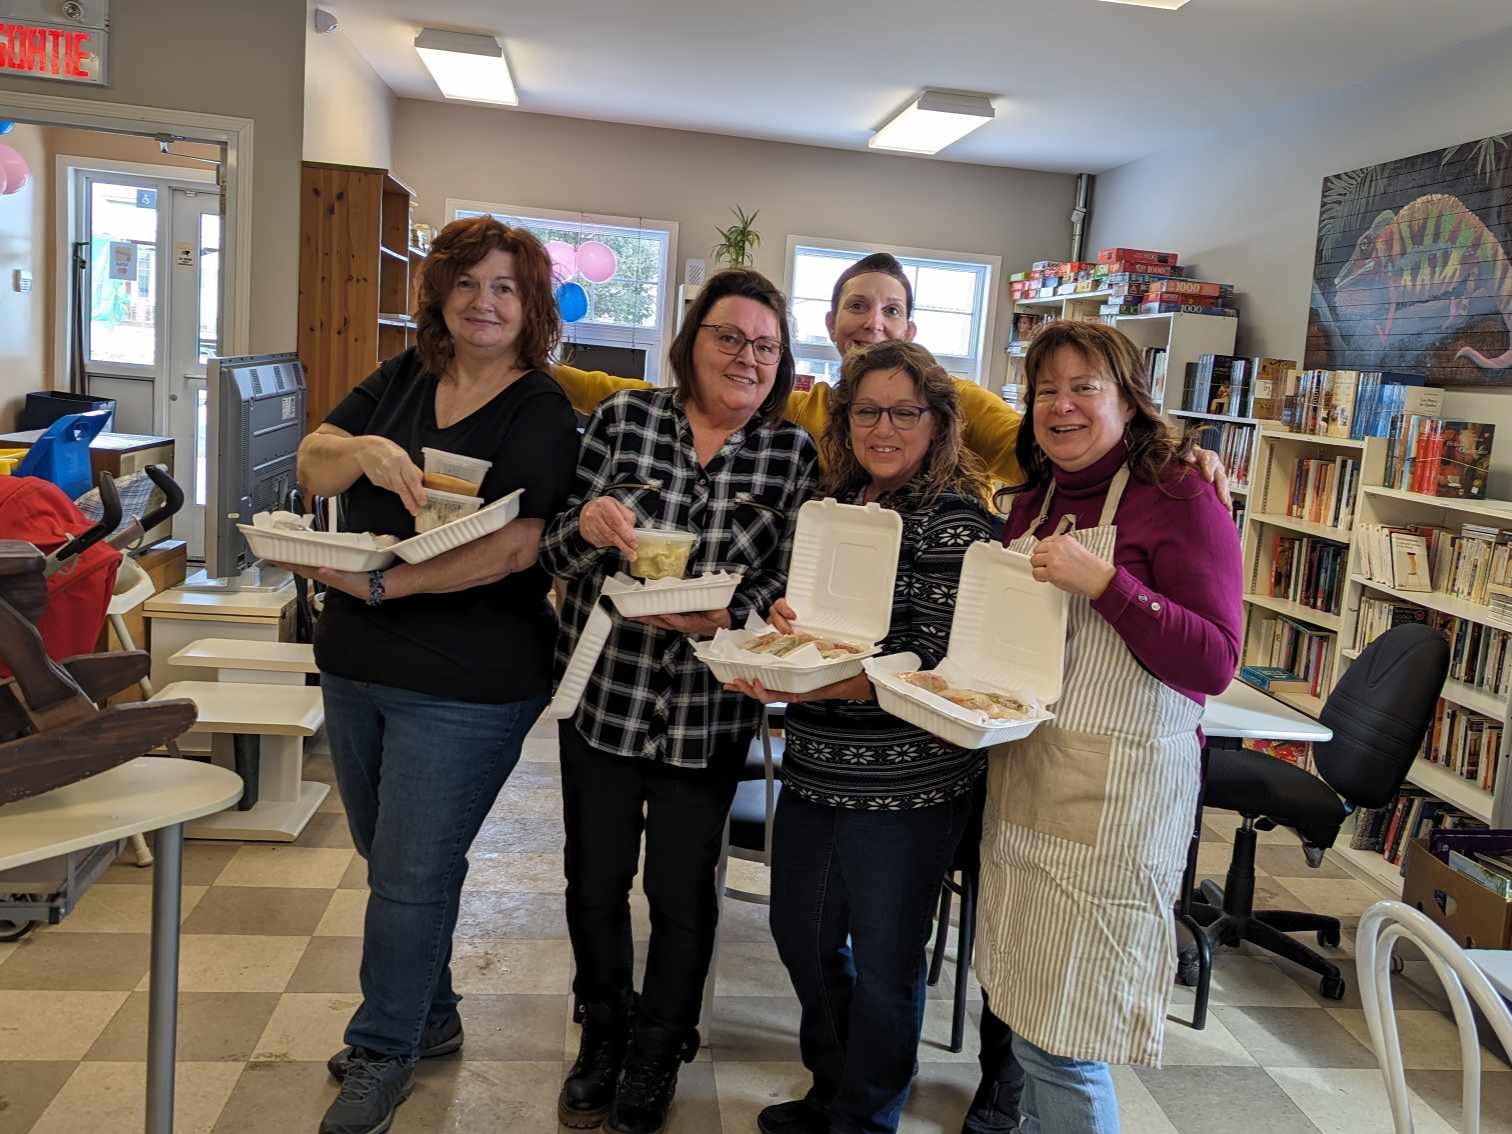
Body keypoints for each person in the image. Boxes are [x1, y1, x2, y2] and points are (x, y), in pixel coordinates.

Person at [291, 216, 580, 1134]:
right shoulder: (404, 377)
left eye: (504, 287)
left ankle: (384, 1049)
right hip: (356, 662)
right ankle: (433, 1013)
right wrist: (365, 451)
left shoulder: (541, 408)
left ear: (531, 305)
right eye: (465, 283)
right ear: (440, 294)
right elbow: (312, 460)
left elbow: (516, 547)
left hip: (470, 679)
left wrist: (387, 582)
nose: (482, 303)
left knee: (412, 870)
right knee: (388, 856)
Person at [539, 268, 819, 1134]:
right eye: (728, 337)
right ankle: (603, 1030)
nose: (746, 357)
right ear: (692, 342)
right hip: (607, 695)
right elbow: (554, 551)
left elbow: (788, 582)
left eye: (765, 346)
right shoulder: (624, 419)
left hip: (708, 706)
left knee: (680, 889)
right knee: (594, 878)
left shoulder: (790, 454)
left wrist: (728, 613)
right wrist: (588, 527)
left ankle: (661, 1044)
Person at [974, 320, 1241, 1133]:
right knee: (1026, 1013)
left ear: (1128, 399)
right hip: (1029, 784)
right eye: (1045, 390)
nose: (1062, 406)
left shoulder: (1181, 495)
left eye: (1084, 387)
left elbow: (1215, 661)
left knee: (1066, 1041)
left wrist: (1109, 585)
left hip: (1117, 805)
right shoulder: (1035, 499)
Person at [725, 340, 997, 1134]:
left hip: (909, 782)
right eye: (867, 411)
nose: (884, 429)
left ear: (937, 421)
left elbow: (937, 659)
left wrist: (810, 681)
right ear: (844, 421)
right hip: (816, 764)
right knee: (801, 934)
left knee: (886, 961)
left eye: (904, 412)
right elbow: (803, 611)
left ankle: (865, 1114)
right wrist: (781, 622)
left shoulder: (957, 521)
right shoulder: (835, 504)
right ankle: (835, 1085)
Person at [548, 251, 1231, 507]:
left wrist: (1167, 452)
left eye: (891, 310)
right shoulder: (806, 404)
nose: (873, 323)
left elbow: (1056, 437)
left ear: (909, 328)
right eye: (857, 306)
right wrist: (539, 372)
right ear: (830, 322)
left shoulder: (958, 402)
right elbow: (639, 398)